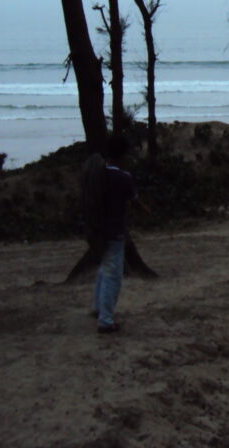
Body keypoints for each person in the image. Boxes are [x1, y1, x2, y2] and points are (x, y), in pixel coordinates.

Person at [91, 134, 149, 334]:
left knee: (103, 268)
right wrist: (147, 212)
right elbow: (134, 200)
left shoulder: (98, 174)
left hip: (96, 229)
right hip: (114, 229)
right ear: (123, 155)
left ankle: (98, 307)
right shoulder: (123, 178)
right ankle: (105, 320)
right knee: (113, 274)